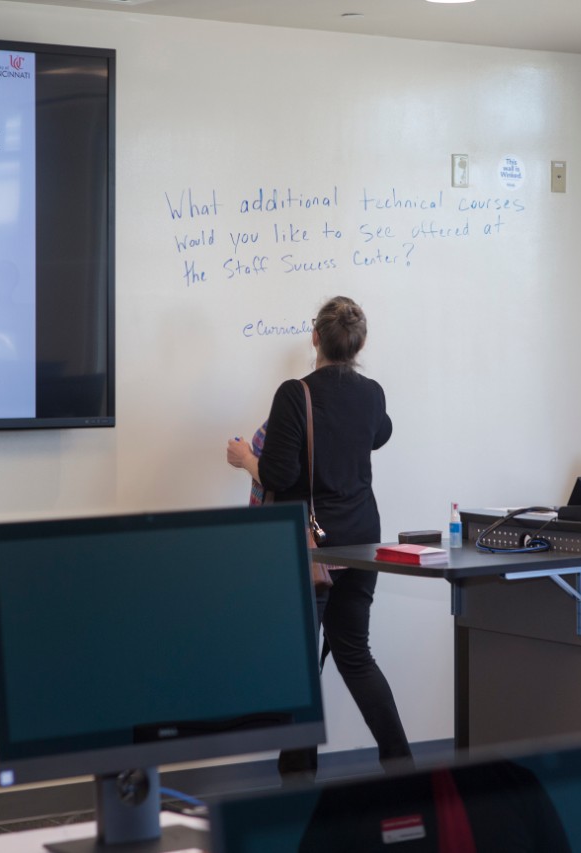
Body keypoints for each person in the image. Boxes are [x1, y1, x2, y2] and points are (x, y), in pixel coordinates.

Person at [226, 295, 412, 780]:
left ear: (315, 337)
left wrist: (246, 458)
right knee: (354, 652)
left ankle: (298, 784)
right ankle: (402, 763)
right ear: (360, 343)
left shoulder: (295, 394)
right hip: (362, 545)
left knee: (299, 670)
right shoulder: (372, 394)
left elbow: (279, 474)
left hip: (308, 548)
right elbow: (380, 434)